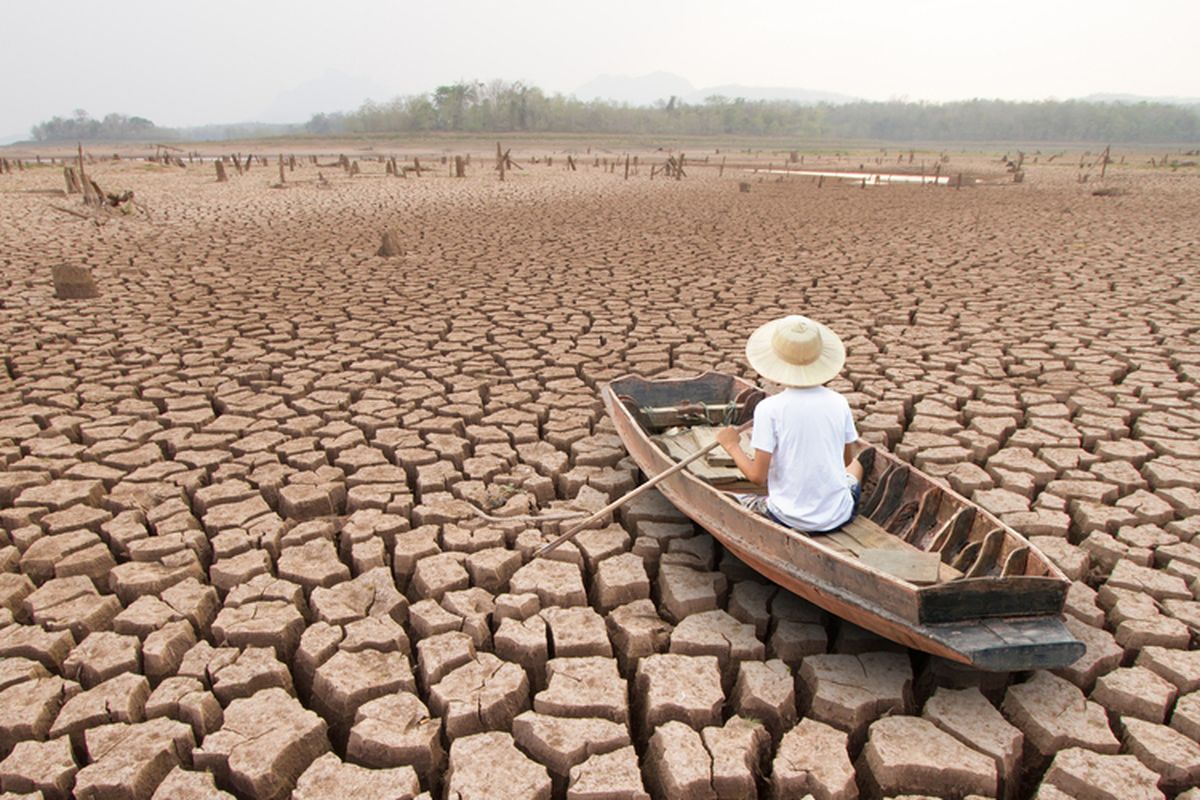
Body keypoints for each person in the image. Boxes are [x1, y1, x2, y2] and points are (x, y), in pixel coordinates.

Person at [714, 314, 865, 533]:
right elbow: (846, 462)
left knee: (734, 498)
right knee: (857, 466)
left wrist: (731, 446)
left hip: (787, 518)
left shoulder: (769, 408)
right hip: (839, 515)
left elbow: (757, 477)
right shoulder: (839, 402)